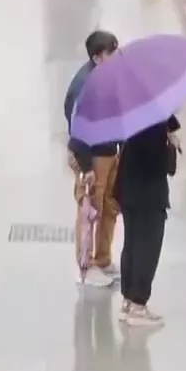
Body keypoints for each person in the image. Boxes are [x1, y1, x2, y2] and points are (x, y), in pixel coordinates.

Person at [64, 30, 122, 287]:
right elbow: (77, 128)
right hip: (92, 156)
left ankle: (103, 259)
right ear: (97, 57)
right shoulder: (84, 86)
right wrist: (86, 167)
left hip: (110, 151)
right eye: (112, 53)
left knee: (109, 206)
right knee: (90, 210)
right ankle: (85, 266)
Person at [116, 116, 179, 328]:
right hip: (149, 192)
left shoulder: (130, 113)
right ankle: (138, 305)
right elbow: (165, 166)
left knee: (131, 243)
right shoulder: (152, 120)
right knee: (148, 247)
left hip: (128, 187)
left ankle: (127, 300)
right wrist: (171, 144)